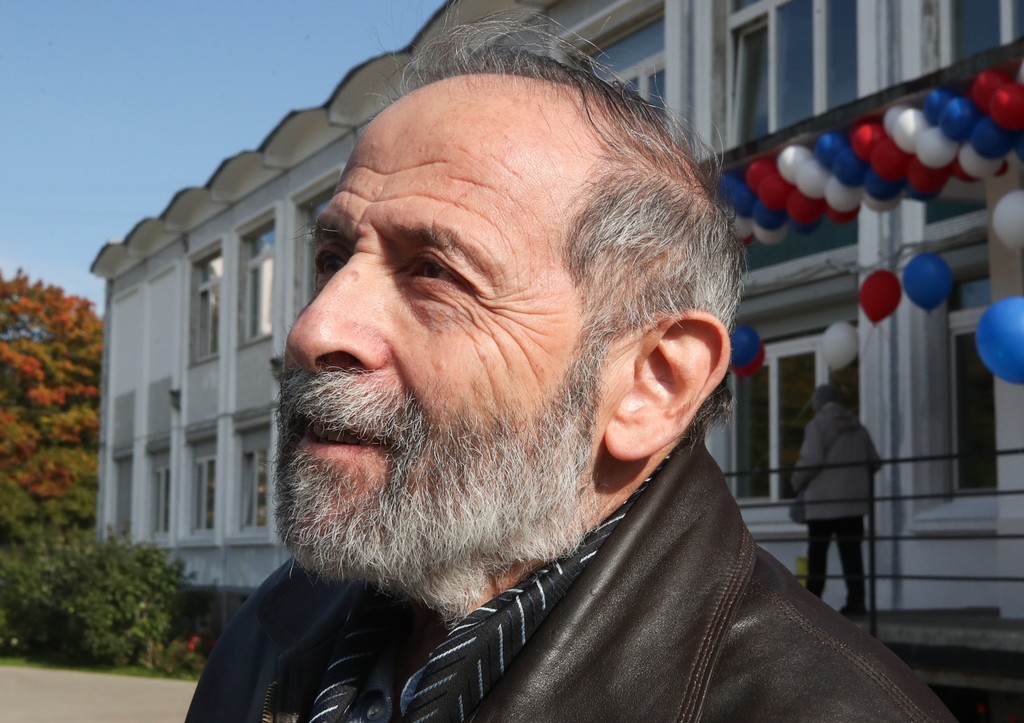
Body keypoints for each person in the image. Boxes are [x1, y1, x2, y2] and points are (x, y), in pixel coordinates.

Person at [186, 21, 952, 723]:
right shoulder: (276, 627)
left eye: (435, 272)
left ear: (652, 382)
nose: (314, 328)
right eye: (332, 258)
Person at [791, 384, 882, 616]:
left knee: (817, 554)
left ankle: (812, 604)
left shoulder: (817, 426)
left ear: (819, 403)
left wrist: (796, 482)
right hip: (853, 504)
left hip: (822, 505)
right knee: (852, 554)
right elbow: (875, 461)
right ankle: (857, 601)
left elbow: (811, 461)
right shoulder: (858, 427)